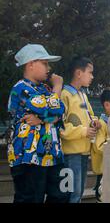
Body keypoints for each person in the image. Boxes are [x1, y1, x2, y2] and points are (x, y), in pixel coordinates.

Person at [7, 44, 68, 203]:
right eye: (45, 63)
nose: (49, 68)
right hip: (28, 157)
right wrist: (58, 87)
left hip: (53, 155)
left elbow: (60, 110)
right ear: (31, 64)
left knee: (63, 194)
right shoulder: (20, 88)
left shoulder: (46, 89)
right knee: (31, 199)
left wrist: (41, 119)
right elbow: (48, 107)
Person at [60, 57, 101, 203]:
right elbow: (61, 125)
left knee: (78, 193)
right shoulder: (65, 94)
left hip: (83, 152)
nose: (92, 76)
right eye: (90, 72)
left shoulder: (82, 94)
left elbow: (89, 115)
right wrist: (84, 131)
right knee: (71, 194)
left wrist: (95, 122)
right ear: (78, 73)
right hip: (71, 154)